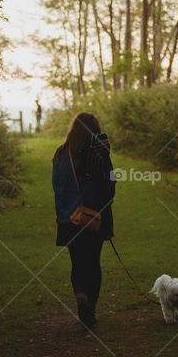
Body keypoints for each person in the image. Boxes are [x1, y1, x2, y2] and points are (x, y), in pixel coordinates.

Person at [52, 113, 116, 329]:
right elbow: (109, 183)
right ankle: (91, 306)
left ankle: (80, 295)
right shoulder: (98, 153)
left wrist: (63, 215)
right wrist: (105, 206)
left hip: (70, 219)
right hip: (93, 217)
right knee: (93, 262)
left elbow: (57, 187)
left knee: (77, 262)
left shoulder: (61, 154)